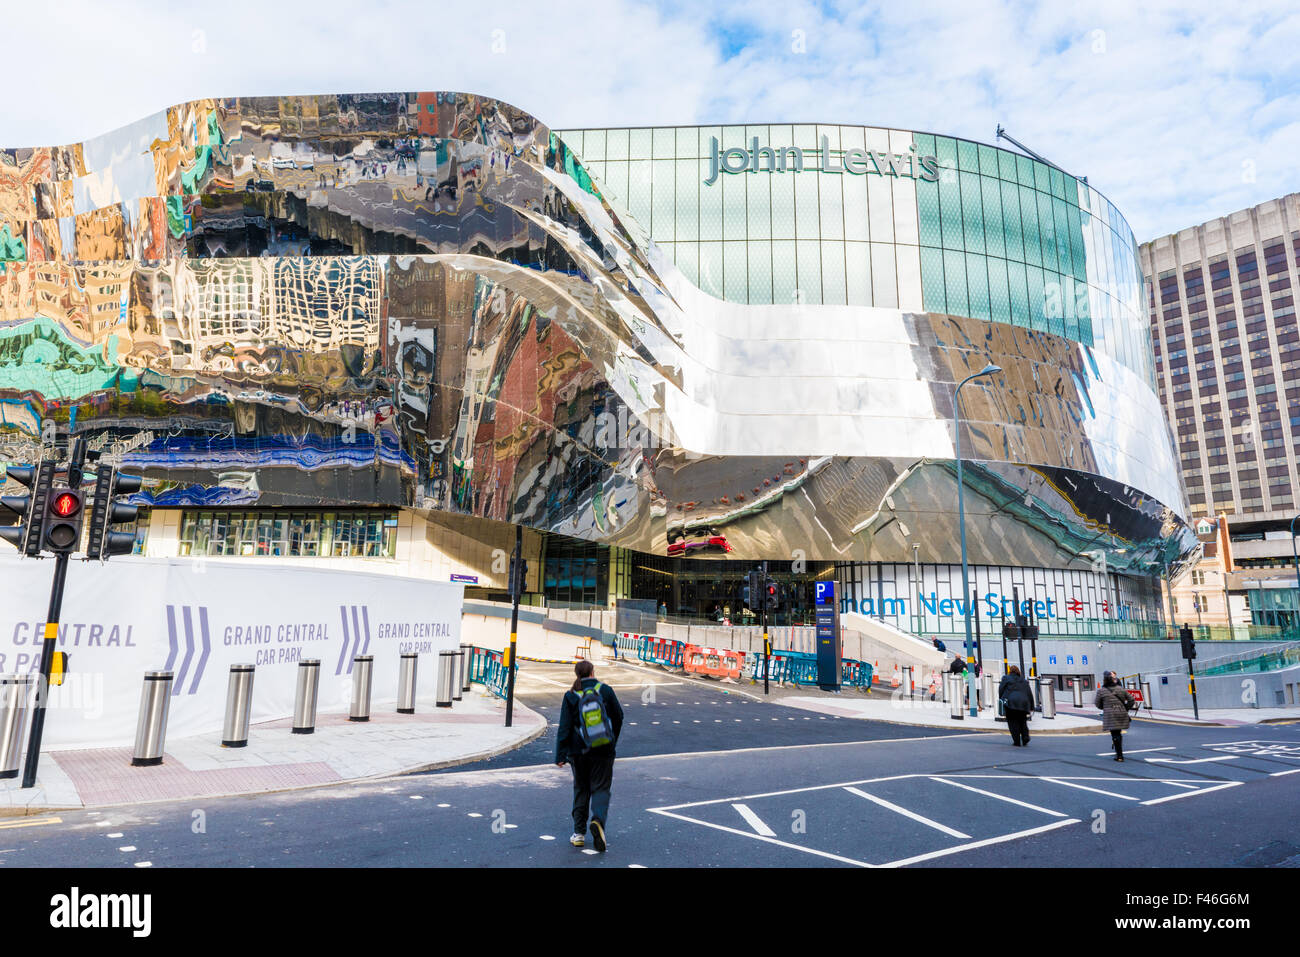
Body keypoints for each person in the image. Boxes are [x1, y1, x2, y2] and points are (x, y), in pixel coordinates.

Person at [555, 659, 624, 852]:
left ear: (577, 674)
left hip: (578, 751)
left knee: (581, 788)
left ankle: (578, 834)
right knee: (601, 788)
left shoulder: (570, 695)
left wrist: (560, 754)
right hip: (603, 749)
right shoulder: (606, 690)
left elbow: (565, 727)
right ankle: (598, 821)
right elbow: (619, 717)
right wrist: (611, 741)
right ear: (592, 672)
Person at [1095, 672, 1135, 761]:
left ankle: (1119, 755)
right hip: (1121, 713)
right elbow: (1132, 700)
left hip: (1111, 714)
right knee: (1118, 733)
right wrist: (1126, 708)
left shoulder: (1102, 691)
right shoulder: (1120, 689)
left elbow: (1097, 704)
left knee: (1115, 733)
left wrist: (1105, 707)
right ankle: (1119, 753)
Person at [998, 665, 1035, 746]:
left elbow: (1001, 689)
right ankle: (1025, 737)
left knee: (1012, 722)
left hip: (1011, 703)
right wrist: (1032, 706)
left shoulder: (1006, 678)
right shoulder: (1024, 680)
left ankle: (1017, 741)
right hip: (1023, 703)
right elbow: (1029, 693)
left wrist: (1001, 699)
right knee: (1023, 721)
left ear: (1010, 671)